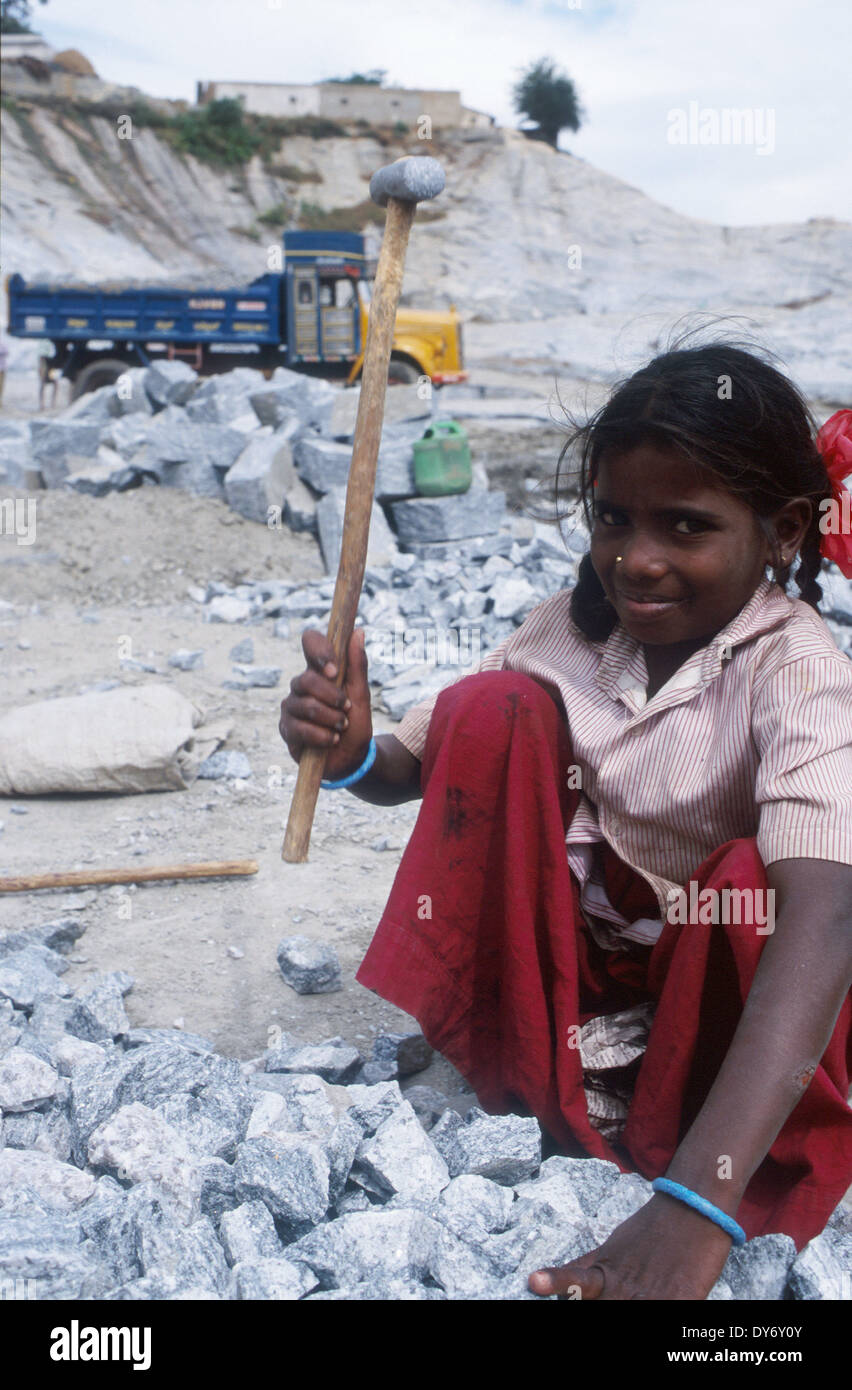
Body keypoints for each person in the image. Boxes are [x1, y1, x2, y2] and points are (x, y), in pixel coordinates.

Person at [278, 338, 852, 1300]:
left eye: (685, 527)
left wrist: (699, 1203)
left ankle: (697, 1135)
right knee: (489, 708)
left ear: (784, 530)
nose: (639, 560)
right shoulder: (572, 627)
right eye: (613, 519)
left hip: (728, 981)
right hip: (596, 954)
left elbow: (828, 914)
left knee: (755, 884)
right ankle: (545, 1064)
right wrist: (350, 757)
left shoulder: (795, 667)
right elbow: (424, 766)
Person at [37, 339, 58, 410]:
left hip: (51, 364)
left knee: (54, 384)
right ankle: (42, 404)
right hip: (45, 363)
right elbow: (41, 359)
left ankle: (52, 403)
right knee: (43, 384)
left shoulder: (49, 340)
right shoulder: (43, 341)